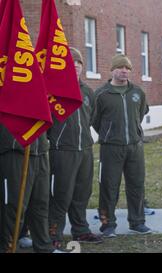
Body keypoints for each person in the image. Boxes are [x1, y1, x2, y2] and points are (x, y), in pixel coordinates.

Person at [47, 47, 102, 247]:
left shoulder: (88, 91)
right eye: (72, 63)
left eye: (79, 63)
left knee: (82, 193)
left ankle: (80, 230)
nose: (76, 67)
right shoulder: (53, 91)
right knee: (61, 194)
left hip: (85, 149)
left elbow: (91, 117)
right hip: (62, 150)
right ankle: (54, 234)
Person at [93, 54, 150, 237]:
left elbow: (140, 115)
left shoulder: (137, 93)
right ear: (112, 70)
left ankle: (137, 222)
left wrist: (133, 132)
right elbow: (95, 120)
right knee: (109, 186)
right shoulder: (101, 94)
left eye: (127, 68)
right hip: (111, 147)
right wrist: (109, 133)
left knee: (136, 185)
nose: (124, 71)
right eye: (120, 67)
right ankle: (107, 224)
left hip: (134, 147)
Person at [0, 130, 57, 253]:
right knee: (14, 205)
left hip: (40, 152)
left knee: (40, 203)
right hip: (14, 151)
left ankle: (43, 246)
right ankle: (8, 247)